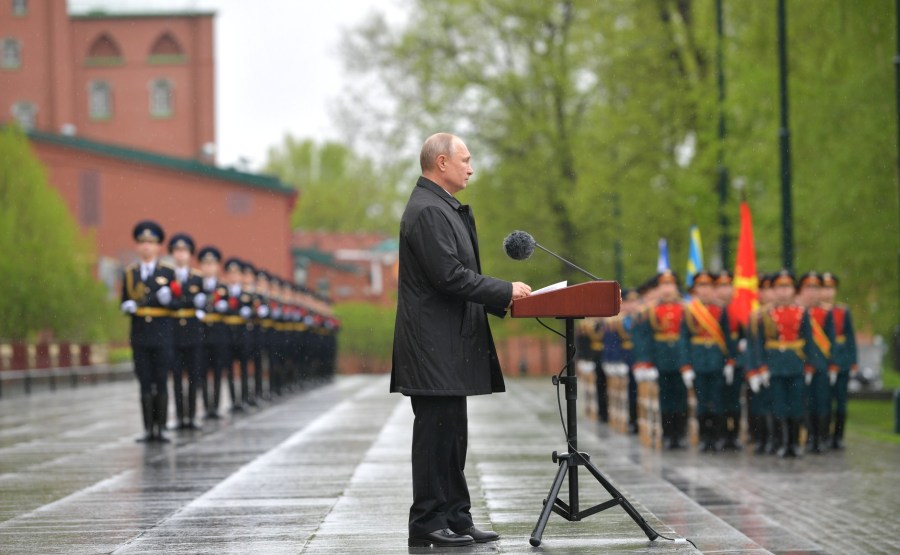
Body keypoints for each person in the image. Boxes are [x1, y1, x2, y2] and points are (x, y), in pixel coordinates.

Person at [391, 132, 531, 548]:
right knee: (436, 434)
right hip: (433, 344)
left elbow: (455, 274)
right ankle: (427, 521)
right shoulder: (428, 211)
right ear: (441, 163)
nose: (471, 168)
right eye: (465, 160)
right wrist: (503, 291)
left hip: (446, 342)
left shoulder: (442, 207)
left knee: (453, 434)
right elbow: (448, 276)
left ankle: (455, 516)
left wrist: (500, 297)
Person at [120, 220, 175, 442]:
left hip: (162, 333)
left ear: (159, 247)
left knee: (160, 379)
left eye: (151, 243)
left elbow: (177, 301)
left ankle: (161, 427)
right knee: (144, 380)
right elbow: (124, 299)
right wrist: (126, 306)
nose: (146, 247)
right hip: (140, 333)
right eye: (142, 242)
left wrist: (169, 300)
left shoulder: (168, 272)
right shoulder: (130, 273)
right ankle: (147, 428)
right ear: (137, 246)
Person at [679, 271, 735, 452]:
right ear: (695, 289)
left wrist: (729, 362)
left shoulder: (720, 310)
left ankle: (717, 436)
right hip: (698, 361)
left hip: (717, 360)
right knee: (701, 402)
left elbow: (727, 338)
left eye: (709, 286)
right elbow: (684, 339)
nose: (705, 291)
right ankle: (704, 437)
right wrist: (686, 365)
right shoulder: (689, 310)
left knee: (718, 401)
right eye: (701, 286)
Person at [633, 270, 688, 449]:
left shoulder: (686, 309)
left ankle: (680, 434)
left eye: (670, 285)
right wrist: (645, 362)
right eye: (663, 285)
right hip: (661, 359)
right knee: (665, 398)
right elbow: (644, 338)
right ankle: (667, 433)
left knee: (681, 397)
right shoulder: (650, 311)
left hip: (681, 359)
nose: (667, 289)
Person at [167, 233, 206, 430]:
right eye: (177, 251)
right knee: (175, 376)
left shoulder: (198, 278)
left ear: (190, 254)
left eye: (184, 251)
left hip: (192, 333)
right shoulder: (166, 276)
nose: (180, 255)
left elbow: (205, 303)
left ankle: (191, 416)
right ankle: (179, 416)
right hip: (173, 333)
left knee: (193, 376)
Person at [821, 272, 856, 449]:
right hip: (824, 361)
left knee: (841, 402)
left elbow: (849, 337)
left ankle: (838, 436)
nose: (828, 292)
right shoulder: (817, 312)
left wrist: (853, 361)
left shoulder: (842, 311)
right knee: (824, 401)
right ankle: (824, 435)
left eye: (831, 288)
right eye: (825, 288)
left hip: (841, 361)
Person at [197, 246, 229, 419]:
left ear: (217, 266)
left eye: (212, 264)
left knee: (217, 371)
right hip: (201, 334)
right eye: (205, 264)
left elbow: (232, 309)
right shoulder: (196, 285)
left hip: (218, 334)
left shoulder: (223, 288)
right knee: (202, 372)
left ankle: (215, 406)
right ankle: (206, 406)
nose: (209, 267)